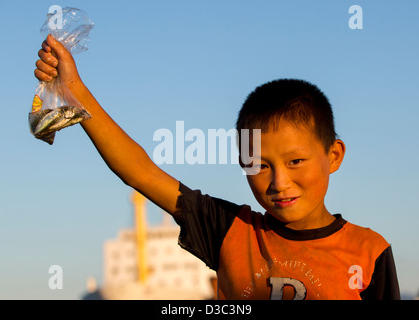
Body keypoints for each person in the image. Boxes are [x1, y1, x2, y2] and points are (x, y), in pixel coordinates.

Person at [34, 34, 400, 300]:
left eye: (296, 161)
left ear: (334, 155)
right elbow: (139, 171)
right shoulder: (231, 231)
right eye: (260, 165)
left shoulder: (369, 252)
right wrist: (73, 92)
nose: (279, 182)